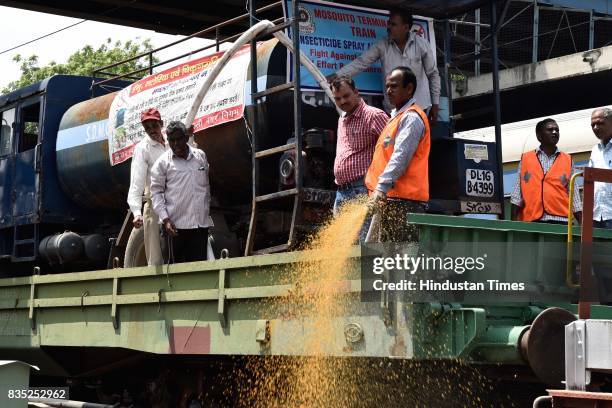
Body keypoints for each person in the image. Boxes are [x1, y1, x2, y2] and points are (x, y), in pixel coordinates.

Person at [329, 9, 440, 123]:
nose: (388, 27)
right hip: (393, 111)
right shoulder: (383, 44)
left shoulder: (421, 44)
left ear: (406, 28)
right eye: (389, 23)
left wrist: (435, 104)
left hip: (419, 109)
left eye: (393, 24)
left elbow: (433, 74)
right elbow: (361, 62)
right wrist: (338, 75)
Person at [365, 66, 430, 242]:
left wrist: (381, 188)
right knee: (388, 262)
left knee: (399, 263)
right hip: (393, 200)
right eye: (387, 86)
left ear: (409, 89)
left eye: (394, 86)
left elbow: (400, 157)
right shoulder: (396, 117)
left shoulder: (411, 118)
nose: (388, 91)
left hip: (404, 202)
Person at [331, 76, 389, 242]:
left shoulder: (374, 115)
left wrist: (382, 185)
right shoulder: (342, 119)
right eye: (337, 98)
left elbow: (392, 150)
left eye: (346, 96)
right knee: (341, 248)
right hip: (341, 192)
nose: (342, 101)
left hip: (362, 190)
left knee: (362, 246)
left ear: (356, 92)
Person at [150, 121, 213, 263]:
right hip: (175, 228)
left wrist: (206, 215)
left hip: (199, 227)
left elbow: (206, 188)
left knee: (199, 273)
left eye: (179, 139)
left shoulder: (200, 157)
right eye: (172, 140)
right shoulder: (162, 164)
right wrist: (165, 220)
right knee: (175, 276)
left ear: (186, 138)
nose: (176, 144)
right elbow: (156, 193)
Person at [510, 118, 582, 224]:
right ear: (539, 136)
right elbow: (517, 195)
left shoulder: (568, 159)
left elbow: (574, 195)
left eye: (557, 130)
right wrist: (513, 225)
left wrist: (582, 224)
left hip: (561, 221)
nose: (554, 132)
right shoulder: (526, 159)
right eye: (550, 130)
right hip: (532, 221)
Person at [126, 108, 168, 266]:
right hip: (155, 203)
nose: (151, 130)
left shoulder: (172, 141)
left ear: (161, 124)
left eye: (154, 125)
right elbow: (136, 182)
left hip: (177, 201)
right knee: (155, 254)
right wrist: (137, 213)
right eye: (147, 127)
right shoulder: (143, 148)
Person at [588, 107, 612, 304]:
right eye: (593, 125)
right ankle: (607, 307)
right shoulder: (595, 150)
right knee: (601, 266)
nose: (596, 127)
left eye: (600, 123)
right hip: (598, 217)